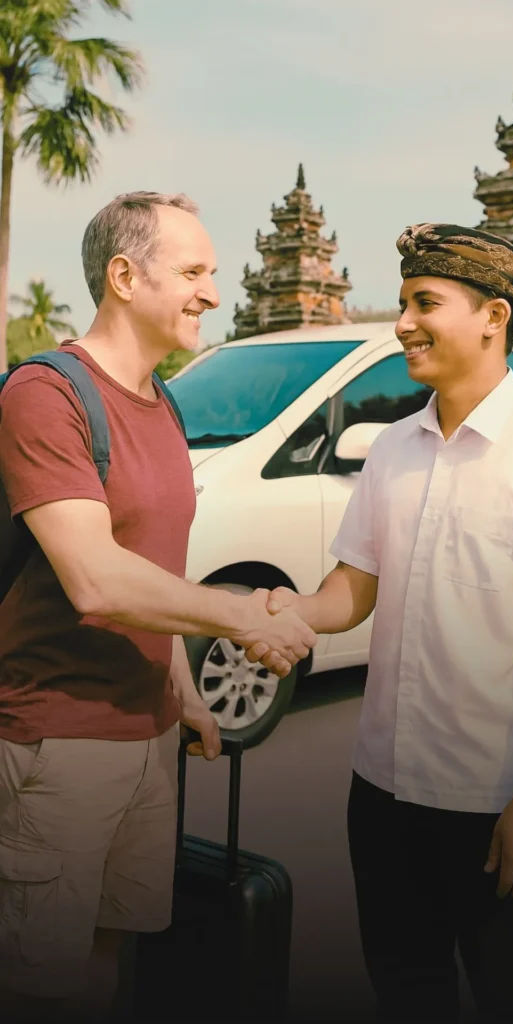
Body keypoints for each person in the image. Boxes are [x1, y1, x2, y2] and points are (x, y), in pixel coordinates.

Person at [0, 191, 316, 1023]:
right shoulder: (47, 394)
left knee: (112, 957)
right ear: (124, 277)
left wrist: (185, 692)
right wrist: (243, 617)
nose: (212, 291)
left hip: (149, 737)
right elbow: (97, 578)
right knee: (39, 982)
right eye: (193, 272)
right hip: (59, 743)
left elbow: (152, 568)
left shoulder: (164, 402)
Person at [265, 223, 513, 1022]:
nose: (402, 323)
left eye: (424, 303)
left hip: (497, 799)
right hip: (381, 793)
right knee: (405, 996)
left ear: (493, 316)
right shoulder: (393, 448)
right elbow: (354, 587)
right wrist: (289, 614)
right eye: (402, 303)